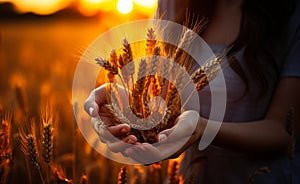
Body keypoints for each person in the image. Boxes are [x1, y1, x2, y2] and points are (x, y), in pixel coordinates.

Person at [84, 0, 300, 183]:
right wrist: (128, 107)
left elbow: (284, 130)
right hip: (190, 177)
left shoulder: (292, 12)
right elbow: (163, 100)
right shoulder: (173, 2)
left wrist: (201, 127)